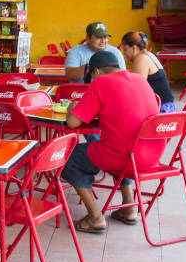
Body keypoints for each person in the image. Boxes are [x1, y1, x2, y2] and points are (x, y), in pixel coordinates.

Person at [61, 50, 165, 233]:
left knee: (68, 157)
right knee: (121, 142)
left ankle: (95, 217)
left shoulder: (101, 82)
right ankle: (129, 208)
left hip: (126, 156)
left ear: (96, 72)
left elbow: (72, 122)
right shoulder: (140, 79)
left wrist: (72, 106)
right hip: (152, 156)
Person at [121, 31, 176, 113]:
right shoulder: (149, 54)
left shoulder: (140, 59)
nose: (124, 53)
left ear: (134, 48)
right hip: (168, 106)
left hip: (161, 110)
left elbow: (136, 91)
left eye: (125, 49)